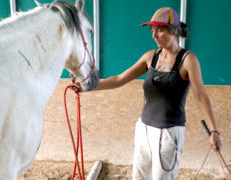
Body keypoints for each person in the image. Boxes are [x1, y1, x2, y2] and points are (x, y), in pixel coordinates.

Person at [76, 7, 222, 180]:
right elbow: (119, 79)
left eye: (160, 30)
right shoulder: (150, 57)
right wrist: (87, 86)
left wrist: (214, 131)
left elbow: (201, 97)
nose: (154, 36)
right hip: (144, 129)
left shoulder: (188, 60)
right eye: (153, 31)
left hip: (169, 134)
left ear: (174, 31)